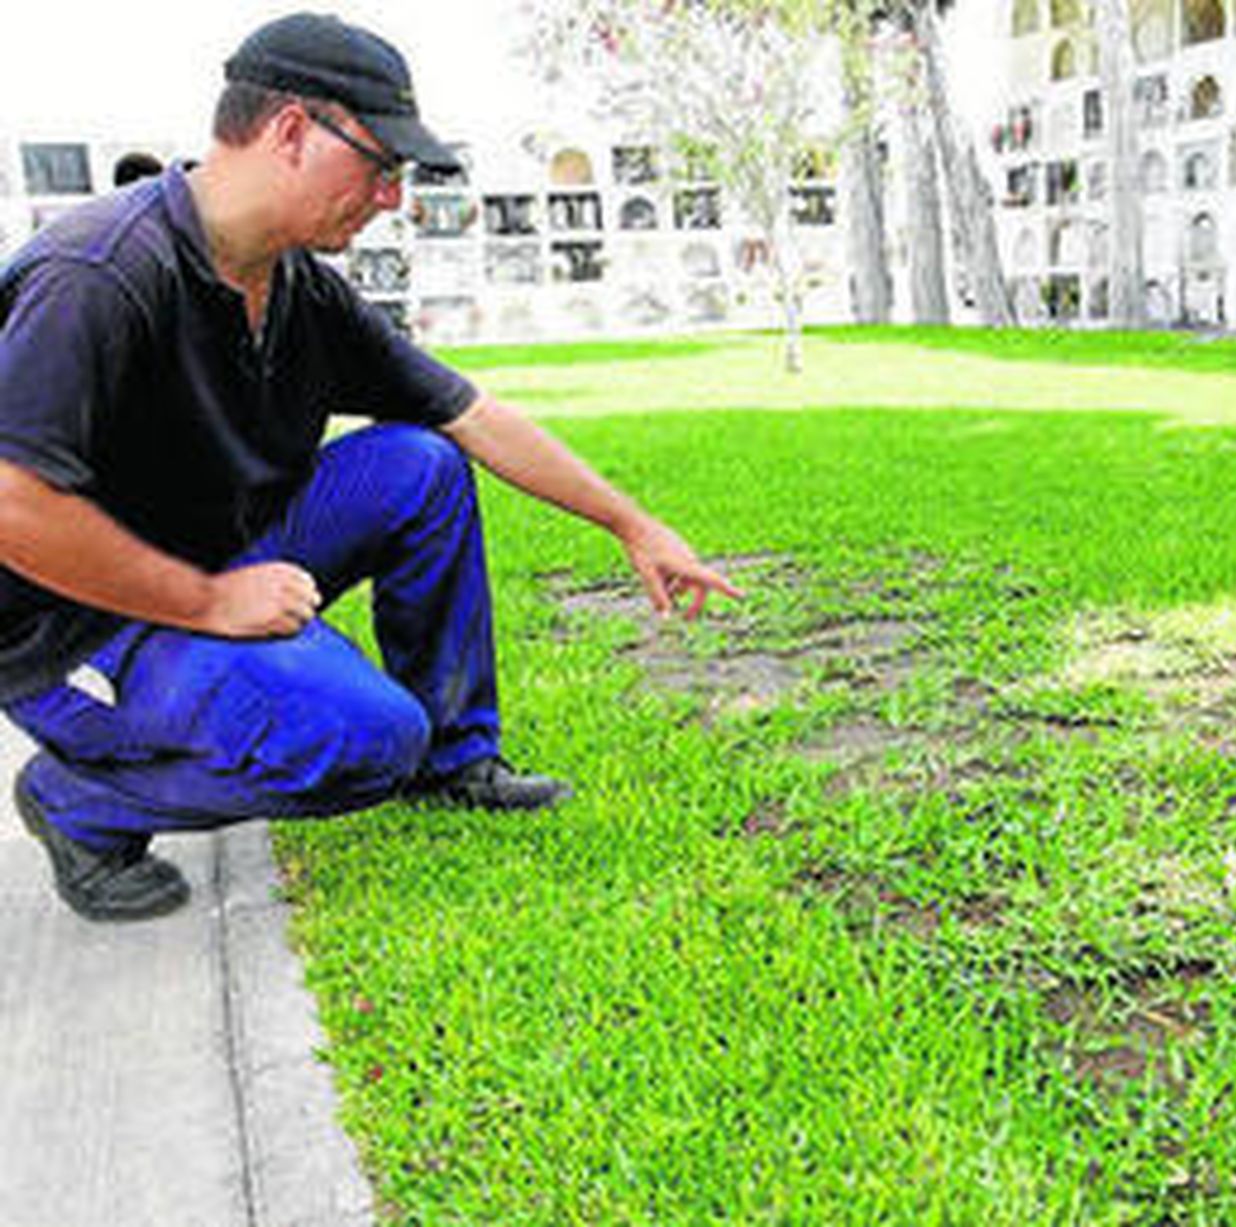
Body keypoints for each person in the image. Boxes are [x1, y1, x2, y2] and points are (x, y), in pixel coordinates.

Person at [0, 13, 742, 923]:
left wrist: (633, 524)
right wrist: (209, 605)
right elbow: (12, 503)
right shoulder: (101, 275)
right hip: (74, 628)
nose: (393, 196)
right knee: (363, 738)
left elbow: (471, 414)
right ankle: (77, 804)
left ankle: (455, 760)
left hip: (215, 550)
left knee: (420, 463)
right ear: (289, 131)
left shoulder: (297, 287)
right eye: (381, 165)